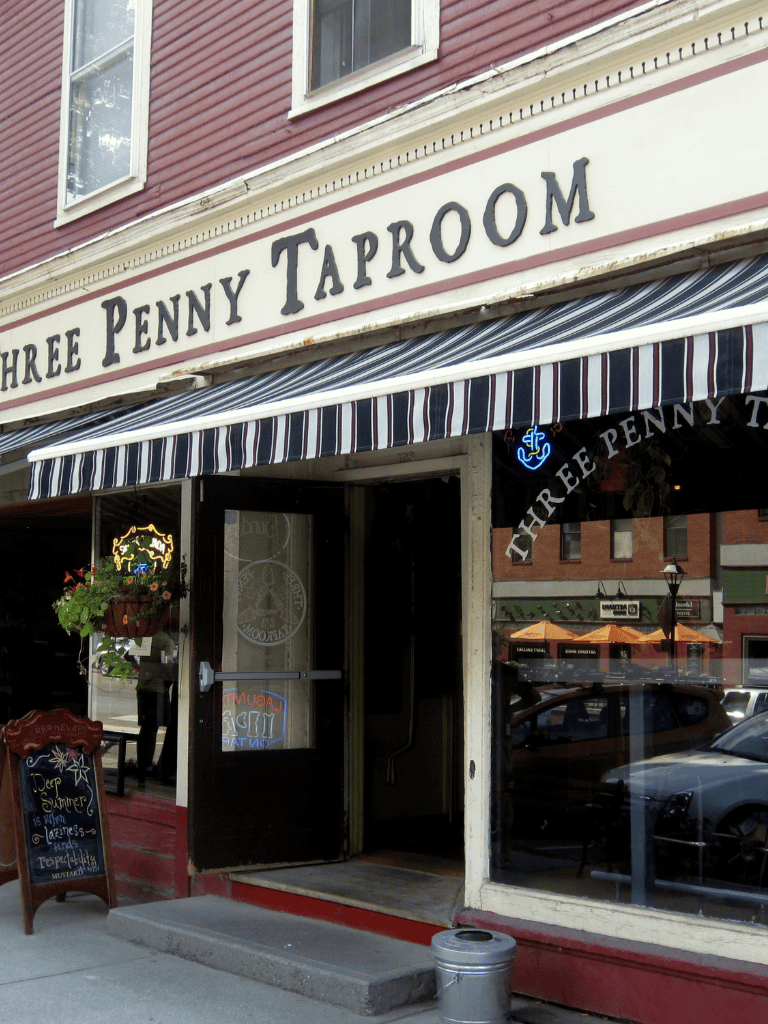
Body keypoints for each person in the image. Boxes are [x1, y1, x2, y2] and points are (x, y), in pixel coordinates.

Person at [135, 631, 176, 782]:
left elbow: (127, 655)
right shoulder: (166, 641)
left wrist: (139, 670)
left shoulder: (144, 638)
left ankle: (141, 763)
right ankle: (146, 764)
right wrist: (171, 679)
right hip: (157, 689)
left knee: (145, 727)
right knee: (153, 727)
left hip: (142, 687)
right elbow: (166, 663)